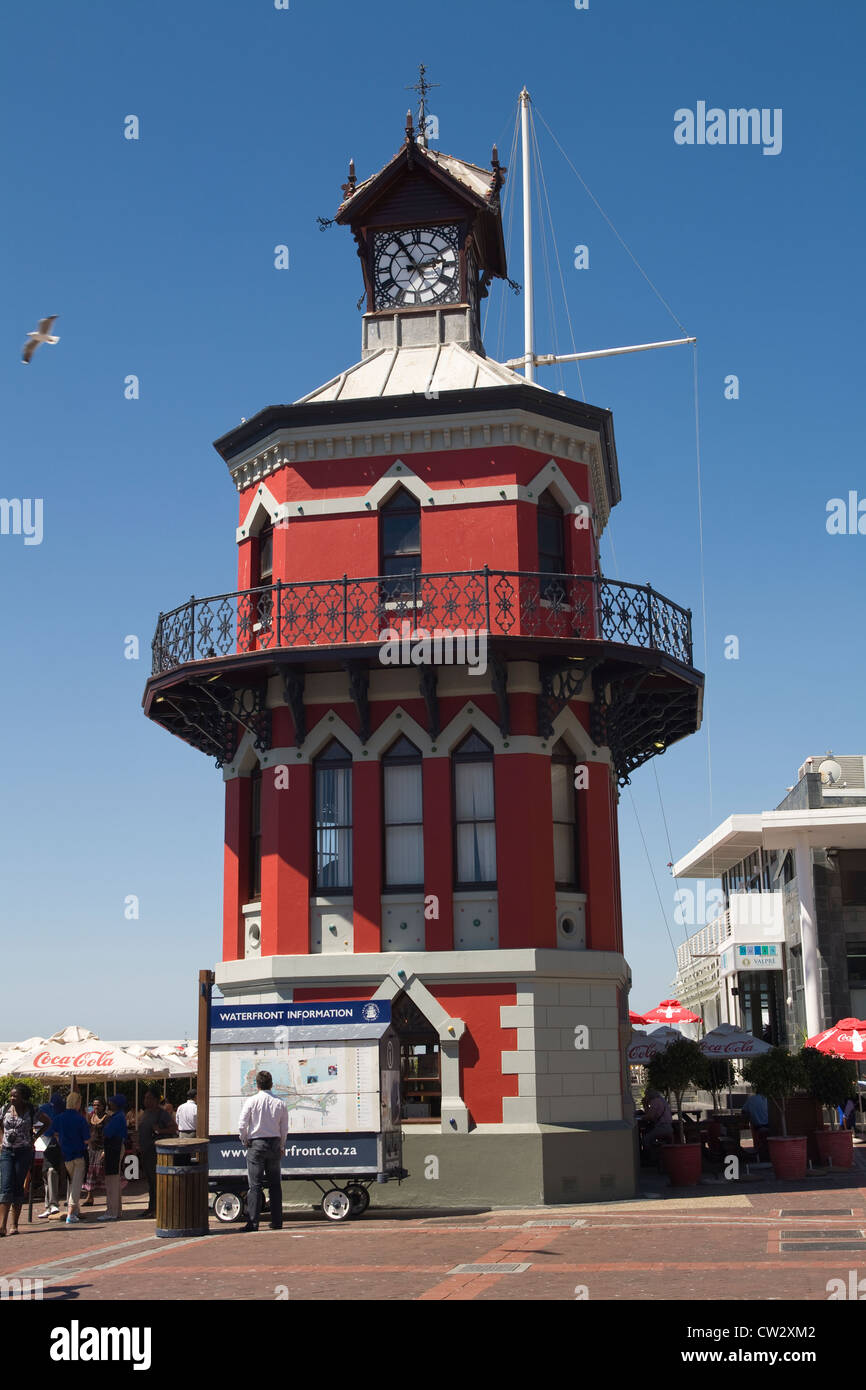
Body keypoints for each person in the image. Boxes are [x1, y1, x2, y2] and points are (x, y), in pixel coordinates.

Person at [237, 1070, 288, 1233]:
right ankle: (277, 1221)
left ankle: (253, 1223)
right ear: (271, 1084)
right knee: (275, 1184)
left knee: (255, 1185)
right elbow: (284, 1128)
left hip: (256, 1144)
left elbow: (242, 1124)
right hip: (274, 1143)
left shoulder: (251, 1101)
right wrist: (282, 1146)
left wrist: (245, 1140)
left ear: (256, 1085)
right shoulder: (280, 1102)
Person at [0, 1084, 51, 1236]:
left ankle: (14, 1224)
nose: (12, 1098)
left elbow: (47, 1122)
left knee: (18, 1185)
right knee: (5, 1185)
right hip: (7, 1151)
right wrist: (1, 1139)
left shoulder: (32, 1110)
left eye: (15, 1096)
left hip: (24, 1151)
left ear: (23, 1097)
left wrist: (34, 1137)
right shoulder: (5, 1109)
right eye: (11, 1095)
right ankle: (2, 1225)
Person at [45, 1092, 91, 1225]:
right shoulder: (80, 1119)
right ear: (77, 1103)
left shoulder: (60, 1117)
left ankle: (74, 1210)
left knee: (72, 1182)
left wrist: (60, 1137)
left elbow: (50, 1132)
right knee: (76, 1184)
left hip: (66, 1155)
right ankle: (71, 1212)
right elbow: (86, 1139)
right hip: (79, 1154)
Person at [137, 1090, 176, 1217]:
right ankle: (151, 1207)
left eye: (148, 1098)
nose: (145, 1100)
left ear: (155, 1100)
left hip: (156, 1152)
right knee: (150, 1181)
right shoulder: (145, 1113)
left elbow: (174, 1128)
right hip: (146, 1151)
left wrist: (160, 1130)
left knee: (156, 1181)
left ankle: (158, 1208)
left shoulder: (162, 1114)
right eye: (145, 1098)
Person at [99, 1096, 128, 1222]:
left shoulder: (116, 1118)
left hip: (113, 1148)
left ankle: (112, 1211)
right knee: (114, 1180)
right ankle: (116, 1210)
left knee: (112, 1181)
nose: (109, 1103)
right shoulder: (120, 1116)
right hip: (116, 1147)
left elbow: (107, 1132)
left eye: (111, 1102)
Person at [80, 1098, 107, 1207]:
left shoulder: (106, 1118)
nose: (96, 1107)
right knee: (89, 1173)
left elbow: (107, 1135)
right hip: (91, 1148)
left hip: (101, 1148)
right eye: (94, 1105)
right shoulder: (91, 1117)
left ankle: (108, 1196)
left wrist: (105, 1150)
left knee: (100, 1172)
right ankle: (89, 1197)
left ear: (103, 1106)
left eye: (98, 1105)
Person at [641, 1088, 674, 1156]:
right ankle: (656, 1155)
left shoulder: (655, 1101)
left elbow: (650, 1116)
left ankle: (651, 1157)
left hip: (663, 1127)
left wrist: (645, 1105)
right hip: (668, 1127)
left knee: (646, 1139)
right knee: (650, 1134)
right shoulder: (661, 1099)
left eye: (646, 1095)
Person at [741, 1091, 770, 1161]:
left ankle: (758, 1152)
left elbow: (743, 1111)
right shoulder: (767, 1099)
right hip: (768, 1125)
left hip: (757, 1126)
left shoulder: (751, 1099)